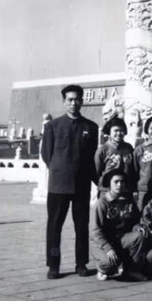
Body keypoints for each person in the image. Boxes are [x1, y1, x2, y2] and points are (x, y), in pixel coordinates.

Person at [41, 84, 99, 279]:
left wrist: (98, 181)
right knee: (54, 227)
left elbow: (91, 157)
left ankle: (81, 264)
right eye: (70, 100)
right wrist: (61, 170)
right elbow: (47, 155)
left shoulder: (91, 127)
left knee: (81, 226)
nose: (74, 103)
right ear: (64, 101)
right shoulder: (52, 126)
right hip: (58, 185)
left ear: (82, 101)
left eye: (77, 99)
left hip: (81, 185)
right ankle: (53, 265)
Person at [90, 170, 147, 281]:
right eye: (116, 182)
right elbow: (96, 231)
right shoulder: (101, 203)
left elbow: (135, 220)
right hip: (103, 242)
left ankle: (131, 270)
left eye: (122, 182)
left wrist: (137, 227)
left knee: (139, 236)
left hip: (121, 239)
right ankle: (103, 269)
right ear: (109, 183)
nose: (119, 185)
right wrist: (108, 248)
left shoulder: (128, 199)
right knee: (108, 263)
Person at [94, 117, 136, 196]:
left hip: (125, 190)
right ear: (109, 132)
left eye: (121, 131)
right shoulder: (103, 150)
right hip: (107, 191)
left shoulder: (129, 148)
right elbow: (97, 172)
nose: (119, 133)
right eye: (116, 131)